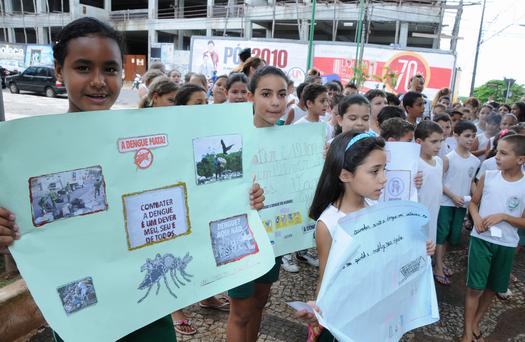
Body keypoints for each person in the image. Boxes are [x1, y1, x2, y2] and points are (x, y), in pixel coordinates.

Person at [297, 130, 435, 341]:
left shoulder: (376, 206)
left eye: (385, 169)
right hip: (346, 319)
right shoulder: (329, 224)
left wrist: (417, 250)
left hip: (376, 311)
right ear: (345, 175)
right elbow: (326, 280)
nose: (384, 179)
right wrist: (317, 314)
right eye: (374, 171)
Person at [226, 66, 288, 342]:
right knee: (240, 311)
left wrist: (317, 162)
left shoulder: (290, 136)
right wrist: (241, 198)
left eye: (282, 94)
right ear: (251, 97)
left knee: (261, 300)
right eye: (266, 94)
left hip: (273, 233)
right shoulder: (232, 136)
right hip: (238, 235)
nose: (275, 101)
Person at [461, 134, 525, 342]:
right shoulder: (488, 176)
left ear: (520, 159)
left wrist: (505, 216)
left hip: (506, 244)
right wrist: (476, 216)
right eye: (497, 151)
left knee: (492, 286)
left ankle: (476, 322)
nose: (497, 156)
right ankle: (467, 333)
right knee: (475, 287)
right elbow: (473, 202)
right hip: (481, 239)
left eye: (503, 153)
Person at [435, 120, 480, 285]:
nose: (470, 139)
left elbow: (471, 181)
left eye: (473, 136)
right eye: (467, 135)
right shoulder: (448, 158)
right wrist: (453, 196)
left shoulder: (475, 161)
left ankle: (440, 261)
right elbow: (438, 181)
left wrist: (476, 198)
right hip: (446, 203)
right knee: (441, 235)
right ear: (456, 135)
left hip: (462, 204)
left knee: (451, 236)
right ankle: (438, 267)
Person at [415, 121, 444, 244]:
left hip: (434, 212)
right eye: (433, 142)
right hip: (418, 215)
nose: (438, 146)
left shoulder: (439, 161)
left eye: (440, 141)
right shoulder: (415, 163)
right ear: (419, 142)